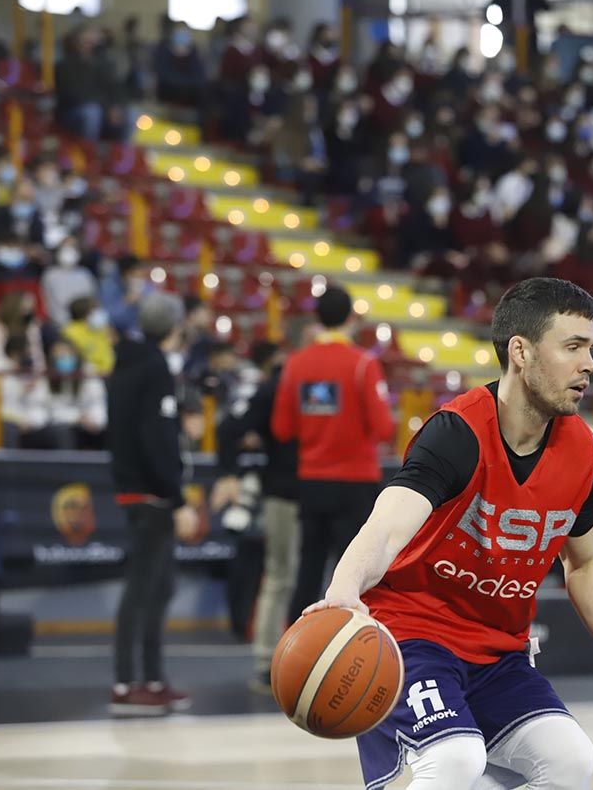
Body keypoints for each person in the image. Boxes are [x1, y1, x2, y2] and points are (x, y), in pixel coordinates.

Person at [303, 277, 593, 790]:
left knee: (571, 761)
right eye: (573, 347)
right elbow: (386, 527)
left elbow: (583, 563)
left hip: (498, 653)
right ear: (521, 351)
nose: (590, 364)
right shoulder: (455, 433)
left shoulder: (587, 454)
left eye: (592, 348)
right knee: (454, 760)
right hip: (413, 637)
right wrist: (343, 590)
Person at [272, 284, 396, 624]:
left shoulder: (296, 365)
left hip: (312, 482)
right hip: (355, 483)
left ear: (317, 318)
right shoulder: (363, 364)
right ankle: (359, 657)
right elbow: (384, 428)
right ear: (351, 318)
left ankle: (294, 658)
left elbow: (283, 429)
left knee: (308, 573)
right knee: (358, 579)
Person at [106, 292, 201, 716]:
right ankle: (128, 684)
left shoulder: (124, 363)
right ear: (175, 327)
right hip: (152, 493)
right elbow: (157, 438)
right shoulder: (155, 367)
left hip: (133, 486)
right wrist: (176, 495)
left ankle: (151, 679)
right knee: (143, 589)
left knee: (158, 587)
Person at [212, 340, 300, 692]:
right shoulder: (275, 387)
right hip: (286, 491)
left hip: (312, 491)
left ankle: (296, 660)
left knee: (295, 577)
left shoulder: (293, 382)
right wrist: (229, 473)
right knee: (282, 575)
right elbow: (227, 430)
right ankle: (268, 660)